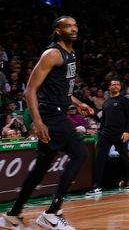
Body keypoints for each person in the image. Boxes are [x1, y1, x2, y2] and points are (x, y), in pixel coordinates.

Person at [0, 16, 93, 230]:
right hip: (51, 116)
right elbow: (30, 90)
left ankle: (13, 214)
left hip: (58, 112)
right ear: (58, 31)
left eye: (75, 25)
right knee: (80, 154)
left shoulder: (71, 53)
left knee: (41, 167)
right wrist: (38, 121)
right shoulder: (52, 54)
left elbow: (61, 88)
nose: (73, 29)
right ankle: (52, 213)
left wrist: (78, 103)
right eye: (67, 26)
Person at [86, 79, 129, 195]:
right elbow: (104, 121)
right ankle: (96, 186)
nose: (116, 86)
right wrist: (100, 136)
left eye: (118, 84)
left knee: (125, 157)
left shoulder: (124, 100)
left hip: (120, 134)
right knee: (99, 159)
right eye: (113, 84)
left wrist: (127, 131)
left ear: (120, 87)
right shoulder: (106, 102)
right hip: (106, 134)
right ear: (109, 88)